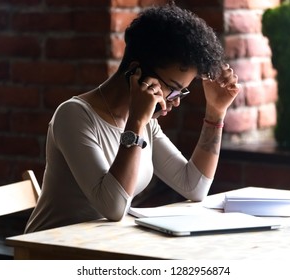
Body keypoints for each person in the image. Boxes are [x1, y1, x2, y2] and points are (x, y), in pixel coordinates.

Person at [25, 2, 240, 233]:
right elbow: (113, 207)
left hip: (100, 249)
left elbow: (193, 186)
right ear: (135, 72)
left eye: (182, 92)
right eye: (173, 89)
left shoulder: (146, 122)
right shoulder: (73, 116)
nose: (176, 100)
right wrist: (136, 122)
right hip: (49, 252)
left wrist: (216, 112)